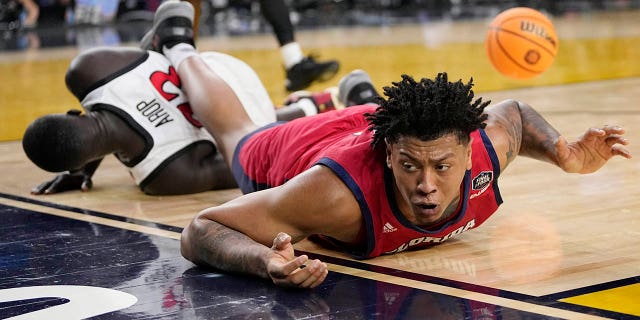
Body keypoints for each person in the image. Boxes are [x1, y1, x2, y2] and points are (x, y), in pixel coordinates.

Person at [141, 2, 633, 289]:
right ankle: (180, 44)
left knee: (400, 117)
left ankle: (350, 100)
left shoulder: (488, 146)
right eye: (410, 167)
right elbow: (200, 230)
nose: (426, 185)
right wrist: (263, 261)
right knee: (236, 134)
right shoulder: (331, 196)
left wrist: (563, 152)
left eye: (442, 166)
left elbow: (518, 116)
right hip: (296, 149)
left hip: (378, 123)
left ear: (469, 153)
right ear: (389, 157)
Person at [22, 44, 377, 195]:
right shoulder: (91, 68)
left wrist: (82, 167)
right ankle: (318, 102)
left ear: (83, 161)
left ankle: (341, 109)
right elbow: (155, 39)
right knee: (174, 51)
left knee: (254, 147)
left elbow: (241, 165)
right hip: (221, 66)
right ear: (73, 112)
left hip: (253, 116)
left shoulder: (162, 178)